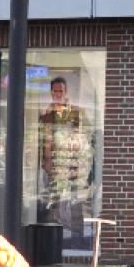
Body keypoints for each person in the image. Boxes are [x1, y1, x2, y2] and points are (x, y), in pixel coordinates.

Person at [38, 76, 94, 247]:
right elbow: (42, 142)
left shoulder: (77, 113)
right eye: (54, 91)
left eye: (60, 91)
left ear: (66, 92)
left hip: (74, 165)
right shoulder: (46, 116)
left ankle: (77, 239)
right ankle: (56, 241)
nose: (57, 94)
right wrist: (45, 162)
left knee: (75, 201)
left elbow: (87, 136)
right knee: (55, 203)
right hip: (53, 167)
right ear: (51, 93)